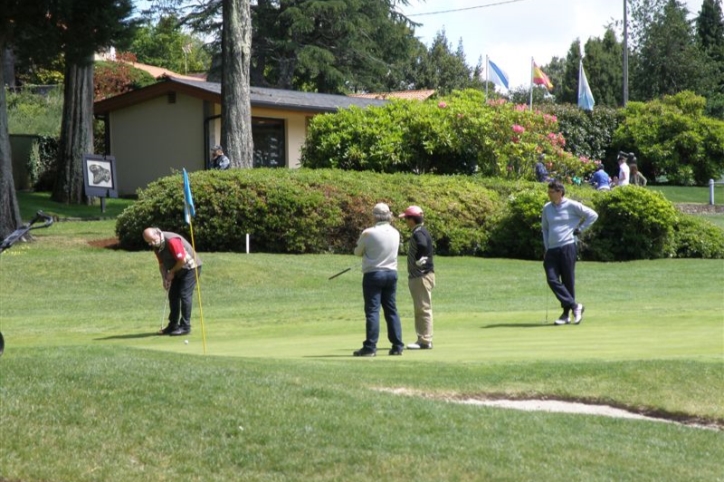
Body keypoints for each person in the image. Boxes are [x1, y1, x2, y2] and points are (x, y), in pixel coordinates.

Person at [541, 181, 598, 325]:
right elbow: (545, 229)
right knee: (552, 279)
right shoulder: (547, 208)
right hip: (552, 250)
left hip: (567, 246)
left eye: (551, 192)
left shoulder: (571, 205)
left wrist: (580, 229)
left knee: (568, 281)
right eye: (548, 192)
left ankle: (566, 314)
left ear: (560, 192)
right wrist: (547, 248)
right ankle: (575, 306)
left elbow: (592, 215)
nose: (549, 194)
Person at [352, 203, 404, 357]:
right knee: (391, 310)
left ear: (374, 216)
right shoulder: (396, 232)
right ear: (389, 215)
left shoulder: (368, 233)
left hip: (373, 274)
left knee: (372, 311)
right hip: (391, 274)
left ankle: (370, 347)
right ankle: (397, 345)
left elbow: (357, 252)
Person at [143, 227, 202, 336]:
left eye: (153, 240)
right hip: (178, 269)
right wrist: (164, 278)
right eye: (149, 242)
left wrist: (171, 273)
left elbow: (182, 260)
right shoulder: (157, 246)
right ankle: (173, 325)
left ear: (158, 233)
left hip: (191, 267)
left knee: (184, 295)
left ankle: (185, 326)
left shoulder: (172, 240)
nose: (152, 243)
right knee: (173, 295)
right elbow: (161, 264)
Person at [398, 205, 435, 350]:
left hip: (421, 276)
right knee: (421, 308)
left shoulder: (418, 233)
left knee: (423, 308)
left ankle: (425, 340)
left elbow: (422, 245)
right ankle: (423, 338)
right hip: (421, 275)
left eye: (407, 218)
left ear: (412, 220)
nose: (406, 221)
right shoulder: (421, 231)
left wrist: (420, 258)